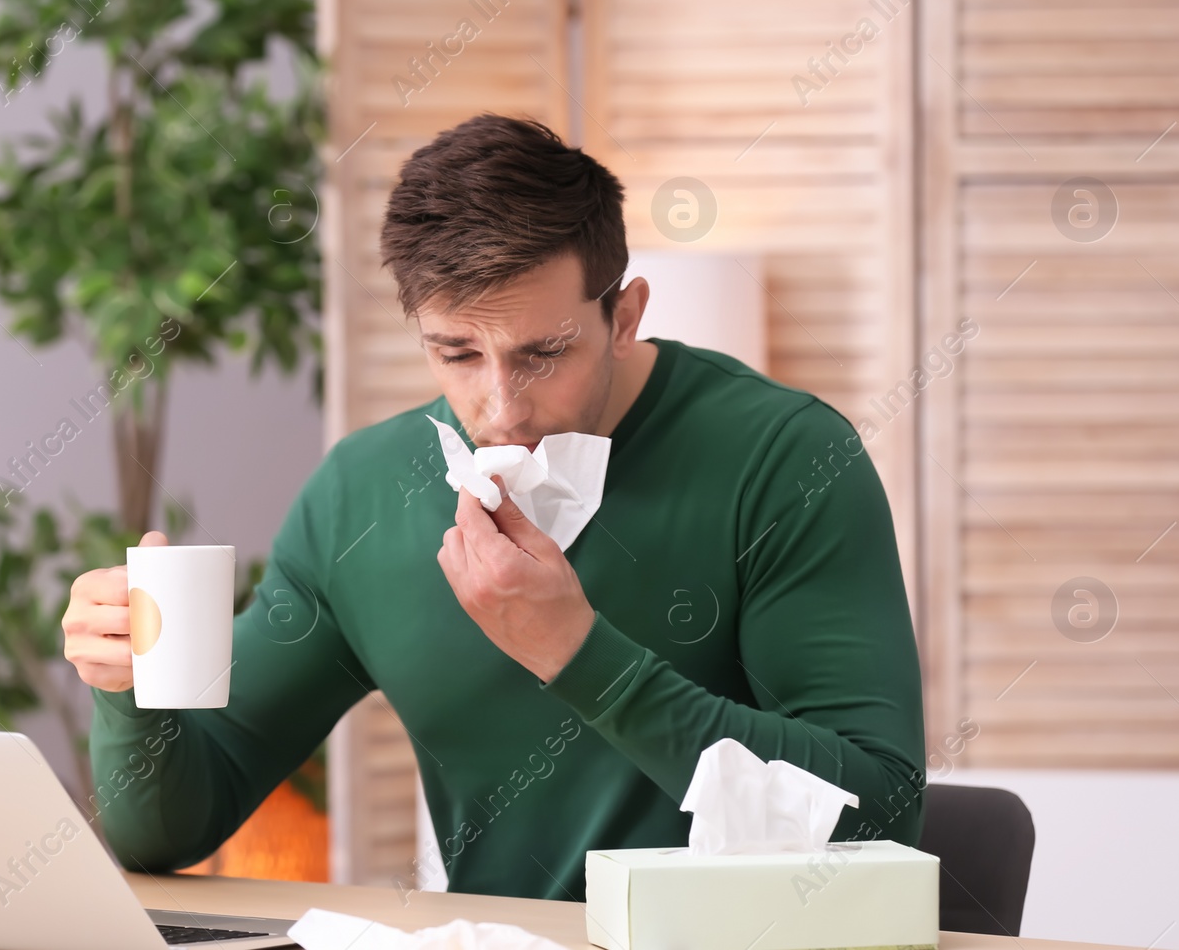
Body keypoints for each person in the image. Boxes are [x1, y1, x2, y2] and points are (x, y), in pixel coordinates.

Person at [62, 113, 925, 901]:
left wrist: (580, 654)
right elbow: (168, 833)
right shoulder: (361, 494)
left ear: (623, 316)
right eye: (458, 352)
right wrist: (128, 687)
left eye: (544, 352)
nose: (502, 406)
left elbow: (882, 815)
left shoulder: (786, 461)